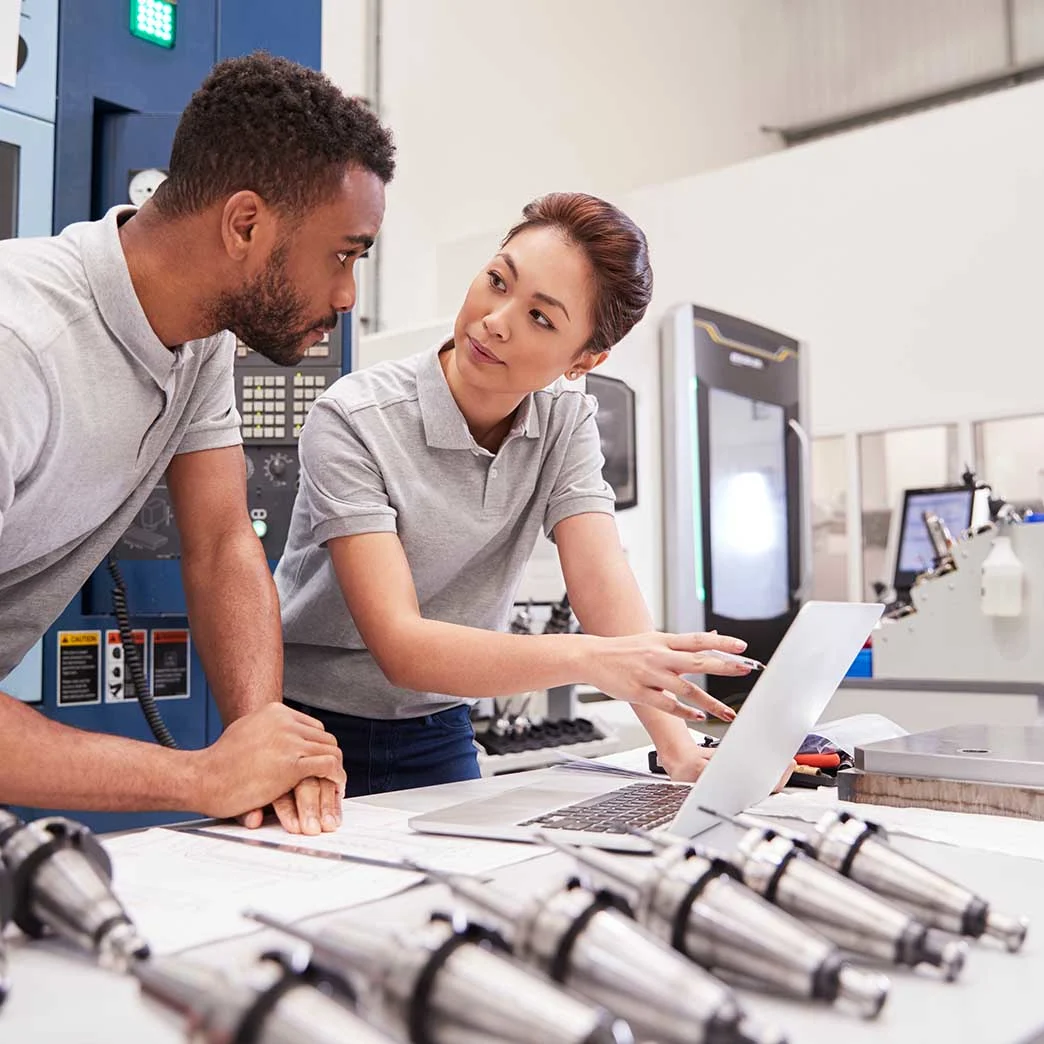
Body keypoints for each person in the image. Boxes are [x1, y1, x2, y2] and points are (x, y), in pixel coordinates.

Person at [0, 52, 395, 832]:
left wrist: (263, 743)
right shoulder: (21, 348)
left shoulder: (201, 338)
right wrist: (202, 775)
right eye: (342, 254)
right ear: (245, 224)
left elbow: (219, 542)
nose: (348, 295)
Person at [276, 191, 767, 796]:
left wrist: (678, 749)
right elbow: (401, 645)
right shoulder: (354, 418)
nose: (495, 320)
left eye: (540, 317)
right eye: (496, 281)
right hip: (307, 726)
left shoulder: (565, 420)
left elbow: (600, 579)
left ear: (585, 358)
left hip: (437, 724)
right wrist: (592, 659)